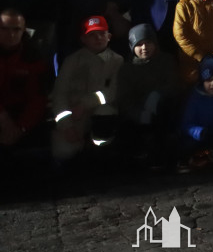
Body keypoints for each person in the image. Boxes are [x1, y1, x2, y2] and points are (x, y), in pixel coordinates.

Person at [51, 16, 124, 161]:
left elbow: (112, 92)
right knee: (63, 152)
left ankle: (101, 153)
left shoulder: (117, 60)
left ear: (109, 37)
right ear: (83, 39)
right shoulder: (72, 61)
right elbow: (59, 94)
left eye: (102, 33)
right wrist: (66, 126)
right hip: (74, 115)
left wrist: (85, 103)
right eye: (92, 35)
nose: (98, 38)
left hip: (98, 112)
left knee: (106, 113)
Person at [117, 23, 182, 169]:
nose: (144, 48)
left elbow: (174, 85)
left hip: (162, 111)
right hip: (138, 115)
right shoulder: (127, 69)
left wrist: (157, 96)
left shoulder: (166, 61)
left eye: (148, 42)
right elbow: (124, 99)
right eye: (139, 44)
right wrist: (140, 114)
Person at [0, 9, 48, 156]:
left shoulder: (33, 57)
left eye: (16, 29)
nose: (11, 34)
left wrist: (21, 128)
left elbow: (38, 98)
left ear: (24, 30)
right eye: (4, 29)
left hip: (20, 114)